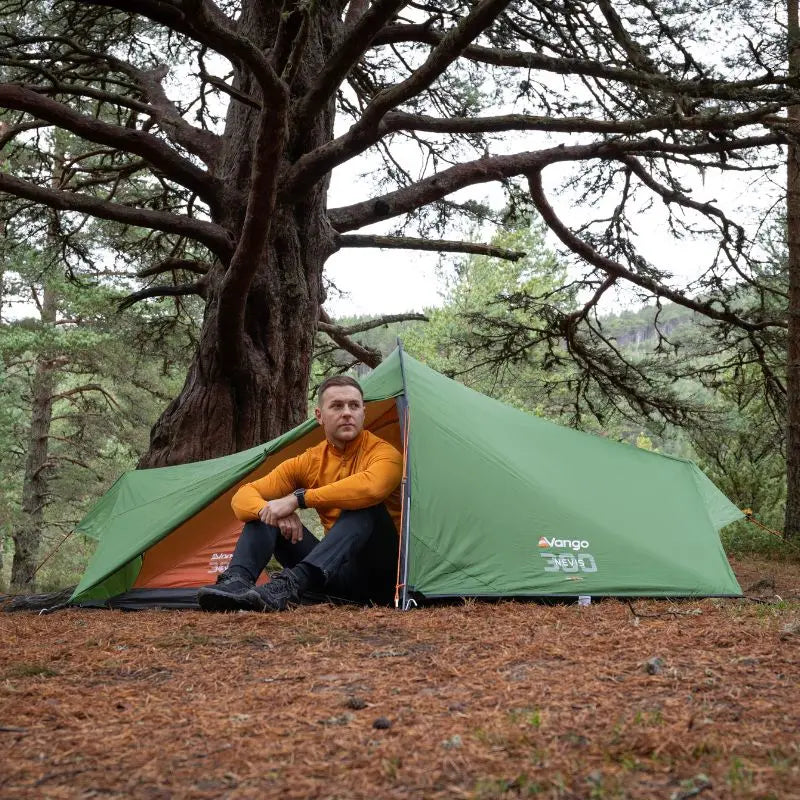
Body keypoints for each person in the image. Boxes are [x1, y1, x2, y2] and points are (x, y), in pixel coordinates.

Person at [197, 375, 403, 613]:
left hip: (382, 578)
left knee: (366, 506)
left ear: (363, 414)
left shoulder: (385, 453)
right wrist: (275, 511)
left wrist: (298, 499)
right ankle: (236, 582)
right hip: (332, 574)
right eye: (336, 406)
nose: (347, 413)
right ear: (319, 416)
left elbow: (371, 488)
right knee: (264, 511)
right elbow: (242, 497)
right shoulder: (309, 461)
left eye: (354, 406)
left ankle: (291, 584)